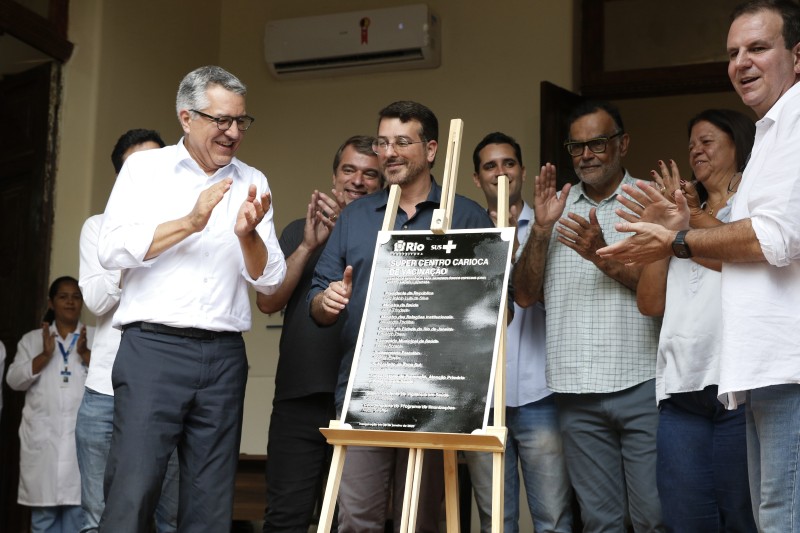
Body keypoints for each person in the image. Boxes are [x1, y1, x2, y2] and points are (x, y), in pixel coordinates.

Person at [597, 1, 800, 530]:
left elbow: (776, 239)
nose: (742, 62)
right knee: (768, 515)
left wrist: (682, 238)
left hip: (789, 368)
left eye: (758, 48)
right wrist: (675, 238)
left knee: (778, 517)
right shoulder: (775, 132)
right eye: (733, 53)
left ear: (797, 56)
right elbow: (744, 263)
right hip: (758, 370)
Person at [97, 65, 286, 532]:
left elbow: (271, 281)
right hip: (153, 351)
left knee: (210, 500)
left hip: (223, 357)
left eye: (241, 121)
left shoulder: (252, 180)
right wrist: (190, 221)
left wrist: (247, 236)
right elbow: (111, 249)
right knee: (133, 491)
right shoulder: (146, 169)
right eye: (221, 120)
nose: (233, 132)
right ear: (187, 117)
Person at [309, 101, 493, 532]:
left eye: (402, 142)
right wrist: (328, 300)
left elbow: (493, 315)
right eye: (383, 142)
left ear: (430, 150)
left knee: (424, 517)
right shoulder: (355, 217)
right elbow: (317, 300)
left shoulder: (465, 215)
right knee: (356, 517)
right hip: (363, 393)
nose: (389, 152)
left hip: (434, 398)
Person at [513, 100, 664, 532]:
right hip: (575, 389)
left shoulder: (650, 203)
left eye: (597, 143)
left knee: (654, 517)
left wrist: (604, 257)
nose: (587, 155)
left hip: (642, 381)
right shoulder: (555, 208)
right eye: (576, 147)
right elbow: (523, 296)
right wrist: (541, 230)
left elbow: (666, 293)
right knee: (600, 522)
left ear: (623, 143)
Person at [631, 110, 757, 532]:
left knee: (744, 516)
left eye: (706, 141)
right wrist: (659, 233)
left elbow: (741, 255)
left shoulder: (753, 205)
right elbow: (650, 303)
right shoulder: (679, 216)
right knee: (686, 519)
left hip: (740, 386)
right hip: (680, 388)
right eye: (691, 146)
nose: (695, 151)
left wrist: (686, 222)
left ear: (737, 144)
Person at [257, 135, 383, 532]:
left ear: (383, 185)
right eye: (349, 170)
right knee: (285, 518)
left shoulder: (391, 238)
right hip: (299, 398)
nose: (358, 181)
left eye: (370, 174)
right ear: (334, 178)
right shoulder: (300, 230)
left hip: (363, 402)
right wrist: (310, 246)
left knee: (352, 519)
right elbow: (268, 301)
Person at [465, 132, 572, 533]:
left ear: (522, 171)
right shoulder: (466, 230)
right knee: (495, 521)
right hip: (482, 402)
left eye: (508, 163)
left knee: (554, 518)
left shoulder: (550, 223)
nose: (500, 172)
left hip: (539, 393)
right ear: (477, 178)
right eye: (490, 166)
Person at [76, 128, 179, 533]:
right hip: (104, 390)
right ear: (122, 178)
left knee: (167, 516)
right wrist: (134, 246)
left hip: (165, 389)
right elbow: (98, 302)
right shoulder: (97, 228)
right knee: (97, 518)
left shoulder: (184, 229)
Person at [7, 276, 94, 532]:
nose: (70, 302)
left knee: (78, 523)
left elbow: (113, 381)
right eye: (63, 296)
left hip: (79, 451)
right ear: (51, 303)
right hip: (43, 448)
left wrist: (85, 354)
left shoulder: (94, 337)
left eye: (76, 297)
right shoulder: (32, 340)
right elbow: (13, 381)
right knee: (43, 523)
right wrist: (44, 356)